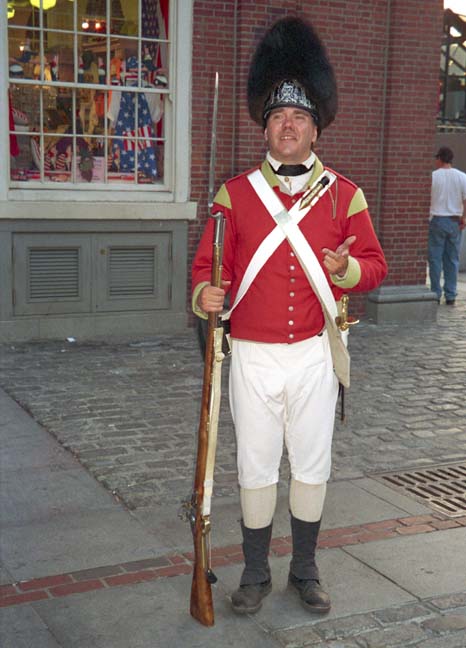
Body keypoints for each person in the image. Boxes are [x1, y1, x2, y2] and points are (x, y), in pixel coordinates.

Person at [191, 16, 387, 616]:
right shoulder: (234, 193)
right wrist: (205, 296)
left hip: (312, 355)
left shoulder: (343, 193)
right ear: (266, 126)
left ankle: (305, 568)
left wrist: (346, 271)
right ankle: (254, 572)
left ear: (314, 126)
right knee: (253, 465)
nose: (288, 126)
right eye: (278, 117)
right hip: (250, 353)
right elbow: (206, 267)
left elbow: (374, 264)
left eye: (299, 118)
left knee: (311, 463)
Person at [428, 146, 466, 305]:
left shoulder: (432, 177)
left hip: (436, 219)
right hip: (454, 220)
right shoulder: (462, 177)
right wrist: (464, 218)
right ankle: (450, 294)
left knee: (435, 259)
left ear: (439, 159)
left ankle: (435, 292)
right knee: (452, 259)